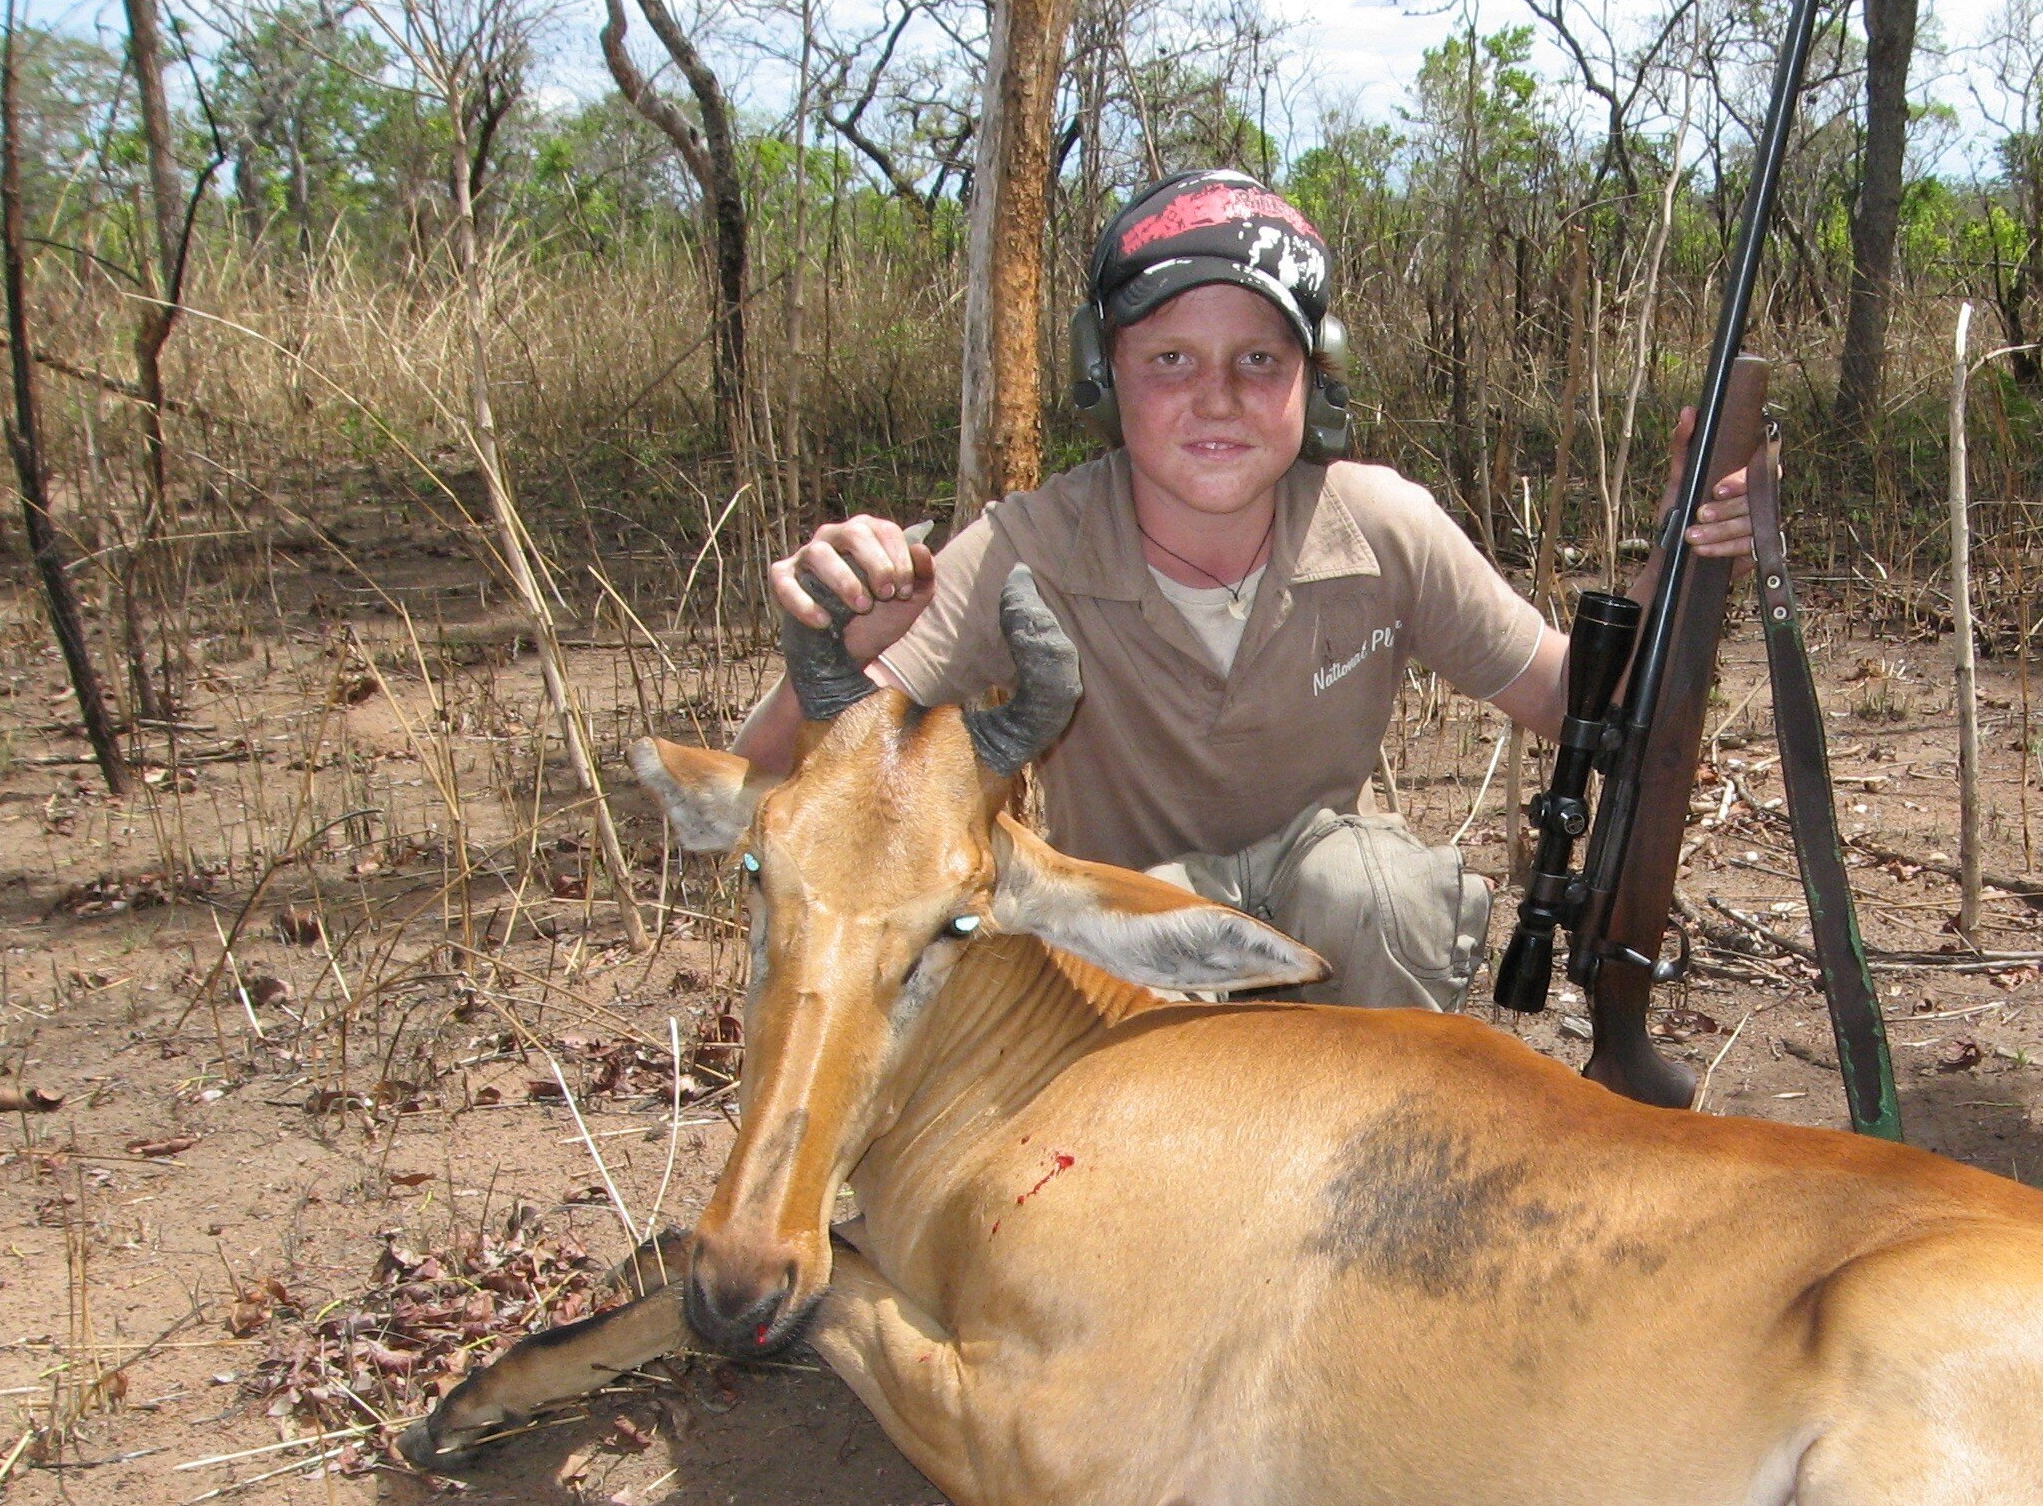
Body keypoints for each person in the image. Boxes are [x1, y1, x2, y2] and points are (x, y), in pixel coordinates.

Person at [738, 168, 1755, 1011]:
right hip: (1128, 947)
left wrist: (1688, 536)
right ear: (1104, 374)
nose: (1216, 397)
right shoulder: (1028, 545)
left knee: (1379, 891)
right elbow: (769, 780)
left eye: (1259, 360)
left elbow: (1587, 702)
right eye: (1171, 359)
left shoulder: (1380, 523)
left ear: (1317, 380)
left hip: (1329, 942)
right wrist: (826, 647)